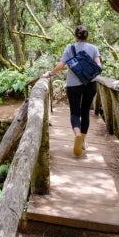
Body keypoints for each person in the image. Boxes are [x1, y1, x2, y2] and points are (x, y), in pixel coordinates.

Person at [42, 25, 102, 157]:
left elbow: (61, 65)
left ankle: (77, 134)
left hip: (73, 85)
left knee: (75, 112)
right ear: (87, 36)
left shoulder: (70, 48)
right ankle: (83, 141)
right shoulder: (94, 48)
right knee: (85, 112)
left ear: (75, 35)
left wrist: (50, 74)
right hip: (90, 84)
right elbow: (99, 66)